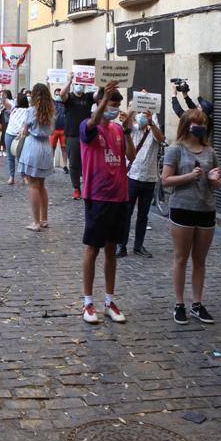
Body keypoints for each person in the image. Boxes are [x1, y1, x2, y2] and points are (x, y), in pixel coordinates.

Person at [78, 83, 136, 324]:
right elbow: (91, 125)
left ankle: (109, 300)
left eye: (117, 104)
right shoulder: (87, 126)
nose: (115, 108)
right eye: (112, 103)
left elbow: (131, 155)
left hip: (119, 195)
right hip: (97, 195)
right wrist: (102, 102)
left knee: (112, 249)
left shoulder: (117, 129)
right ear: (101, 104)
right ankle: (88, 302)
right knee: (93, 248)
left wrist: (129, 130)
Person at [162, 108, 221, 326]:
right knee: (181, 257)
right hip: (182, 207)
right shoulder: (175, 149)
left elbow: (215, 181)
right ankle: (179, 304)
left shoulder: (209, 151)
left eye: (204, 123)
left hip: (205, 208)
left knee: (200, 259)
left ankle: (197, 303)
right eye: (197, 123)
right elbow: (165, 180)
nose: (201, 127)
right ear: (187, 125)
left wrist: (214, 178)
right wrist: (189, 176)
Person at [117, 101, 165, 258]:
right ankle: (121, 245)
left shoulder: (153, 128)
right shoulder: (131, 128)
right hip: (132, 176)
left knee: (143, 215)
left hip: (149, 178)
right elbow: (126, 124)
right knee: (126, 213)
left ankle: (138, 245)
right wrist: (133, 107)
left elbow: (161, 138)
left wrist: (151, 122)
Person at [18, 83, 56, 231]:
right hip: (46, 147)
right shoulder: (52, 111)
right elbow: (51, 131)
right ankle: (44, 219)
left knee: (33, 185)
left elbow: (26, 131)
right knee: (42, 185)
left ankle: (36, 222)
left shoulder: (31, 111)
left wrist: (24, 129)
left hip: (33, 147)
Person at [60, 78, 97, 200]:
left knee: (88, 163)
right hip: (72, 135)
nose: (79, 86)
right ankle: (76, 188)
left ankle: (88, 186)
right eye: (77, 84)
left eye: (82, 84)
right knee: (74, 163)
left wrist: (100, 82)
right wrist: (70, 81)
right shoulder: (69, 98)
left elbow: (98, 96)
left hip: (87, 135)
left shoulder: (88, 97)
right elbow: (62, 94)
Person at [3, 92, 29, 185]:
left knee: (21, 156)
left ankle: (24, 176)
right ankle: (12, 176)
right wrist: (3, 94)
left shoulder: (28, 110)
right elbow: (5, 104)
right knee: (10, 157)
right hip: (9, 134)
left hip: (20, 136)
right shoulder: (14, 108)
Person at [50, 86, 69, 174]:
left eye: (59, 94)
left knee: (64, 148)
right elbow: (47, 94)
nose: (58, 96)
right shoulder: (52, 103)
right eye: (56, 94)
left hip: (63, 130)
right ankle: (51, 166)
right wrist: (48, 82)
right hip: (54, 129)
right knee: (52, 148)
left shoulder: (66, 103)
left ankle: (65, 166)